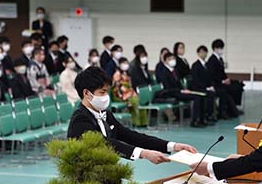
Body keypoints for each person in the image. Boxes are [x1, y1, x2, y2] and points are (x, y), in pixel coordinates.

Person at [67, 67, 197, 164]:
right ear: (86, 93)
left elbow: (130, 136)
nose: (106, 97)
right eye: (102, 92)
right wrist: (144, 154)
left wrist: (172, 146)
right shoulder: (80, 119)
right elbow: (105, 143)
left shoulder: (105, 113)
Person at [160, 52, 206, 127]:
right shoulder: (164, 72)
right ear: (165, 61)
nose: (172, 60)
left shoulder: (175, 70)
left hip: (179, 91)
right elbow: (168, 88)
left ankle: (202, 119)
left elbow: (179, 83)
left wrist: (184, 89)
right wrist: (181, 91)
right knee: (196, 98)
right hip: (171, 93)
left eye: (173, 58)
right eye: (170, 59)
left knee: (200, 95)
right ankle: (195, 121)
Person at [206, 39, 243, 118]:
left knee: (238, 85)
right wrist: (222, 81)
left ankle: (234, 107)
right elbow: (212, 75)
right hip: (216, 83)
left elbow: (222, 73)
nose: (221, 50)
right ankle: (223, 111)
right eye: (219, 48)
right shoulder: (211, 60)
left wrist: (227, 79)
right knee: (226, 91)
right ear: (215, 49)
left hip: (222, 81)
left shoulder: (220, 59)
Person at [111, 57, 148, 127]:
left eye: (126, 63)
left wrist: (133, 93)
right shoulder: (117, 74)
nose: (126, 65)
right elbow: (117, 88)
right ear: (119, 65)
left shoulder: (127, 73)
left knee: (139, 99)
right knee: (134, 100)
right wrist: (126, 95)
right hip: (119, 94)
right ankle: (136, 122)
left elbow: (130, 86)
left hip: (129, 93)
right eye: (124, 63)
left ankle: (143, 122)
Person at [191, 45, 216, 123]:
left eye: (205, 52)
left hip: (206, 87)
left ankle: (210, 114)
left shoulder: (207, 65)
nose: (203, 54)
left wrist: (211, 86)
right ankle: (205, 116)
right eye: (201, 52)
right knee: (207, 94)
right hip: (198, 87)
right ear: (198, 53)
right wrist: (205, 87)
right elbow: (196, 79)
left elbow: (209, 77)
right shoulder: (195, 65)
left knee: (212, 93)